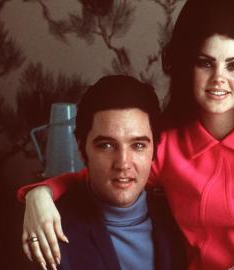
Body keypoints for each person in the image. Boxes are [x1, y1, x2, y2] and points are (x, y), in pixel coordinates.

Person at [17, 0, 234, 269]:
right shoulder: (168, 145)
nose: (218, 78)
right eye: (205, 63)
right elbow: (97, 174)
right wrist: (39, 195)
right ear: (188, 66)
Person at [22, 75, 185, 270]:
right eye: (106, 145)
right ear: (83, 150)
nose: (123, 163)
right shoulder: (47, 228)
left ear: (155, 150)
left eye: (138, 145)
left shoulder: (179, 216)